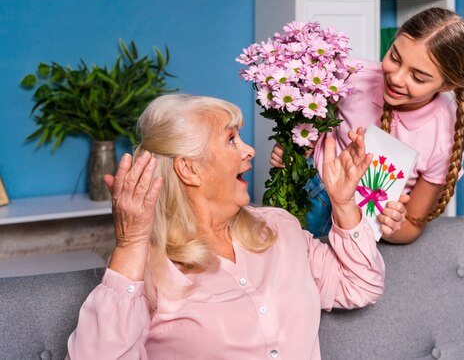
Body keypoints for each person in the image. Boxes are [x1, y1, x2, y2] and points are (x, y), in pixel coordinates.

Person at [66, 94, 406, 359]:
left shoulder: (279, 229)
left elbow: (361, 286)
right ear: (189, 169)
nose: (249, 151)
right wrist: (130, 245)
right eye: (231, 140)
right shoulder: (149, 271)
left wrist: (344, 203)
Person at [271, 7, 464, 244]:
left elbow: (411, 225)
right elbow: (312, 128)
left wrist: (393, 224)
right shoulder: (354, 76)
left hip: (359, 229)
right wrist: (294, 149)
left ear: (447, 85)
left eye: (418, 78)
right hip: (307, 193)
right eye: (395, 57)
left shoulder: (445, 137)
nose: (396, 78)